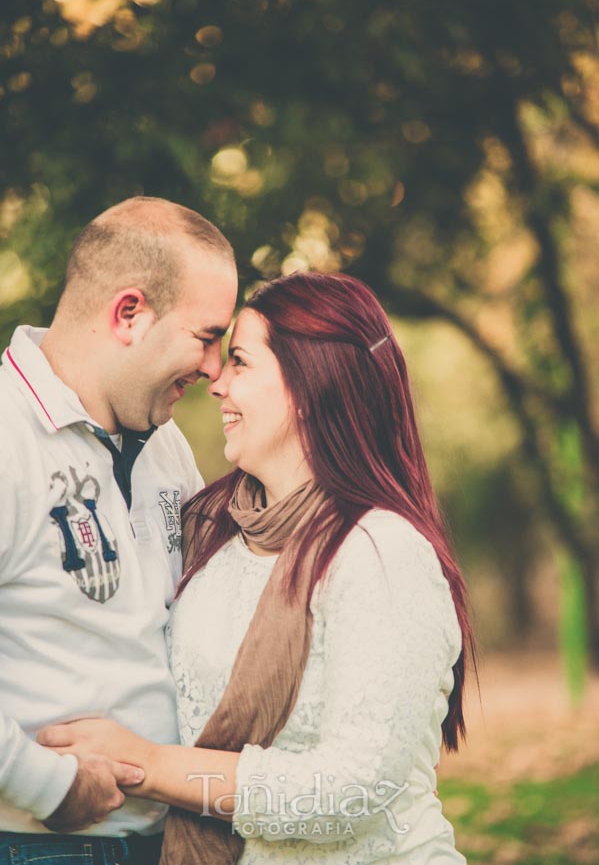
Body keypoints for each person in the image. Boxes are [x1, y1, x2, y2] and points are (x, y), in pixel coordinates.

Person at [39, 272, 474, 864]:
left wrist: (146, 764)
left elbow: (355, 788)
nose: (215, 380)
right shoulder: (214, 529)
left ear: (305, 385)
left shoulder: (381, 552)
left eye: (240, 360)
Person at [0, 197, 238, 865]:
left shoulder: (164, 448)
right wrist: (45, 786)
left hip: (173, 840)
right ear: (128, 313)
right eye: (205, 335)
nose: (213, 368)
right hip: (44, 847)